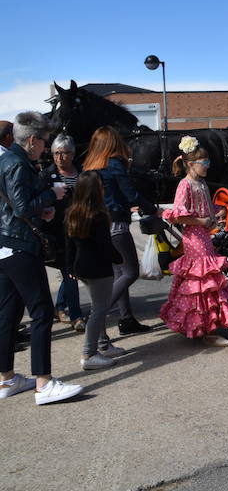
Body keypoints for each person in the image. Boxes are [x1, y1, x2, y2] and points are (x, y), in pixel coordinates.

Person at [0, 111, 83, 404]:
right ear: (32, 140)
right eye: (45, 142)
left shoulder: (6, 160)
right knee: (41, 313)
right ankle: (44, 383)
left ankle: (7, 379)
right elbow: (22, 206)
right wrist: (52, 194)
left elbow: (13, 206)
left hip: (5, 245)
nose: (46, 148)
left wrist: (40, 209)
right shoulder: (17, 163)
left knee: (8, 314)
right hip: (21, 245)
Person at [159, 136, 228, 347]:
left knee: (203, 283)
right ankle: (209, 331)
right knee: (203, 283)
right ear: (190, 164)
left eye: (208, 162)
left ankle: (201, 326)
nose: (207, 165)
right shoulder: (185, 185)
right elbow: (177, 215)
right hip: (194, 237)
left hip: (203, 236)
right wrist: (201, 220)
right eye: (203, 162)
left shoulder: (201, 182)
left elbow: (206, 207)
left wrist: (219, 211)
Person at [83, 126, 158, 335]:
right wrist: (153, 208)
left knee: (118, 273)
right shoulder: (115, 164)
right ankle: (97, 315)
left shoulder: (90, 166)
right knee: (131, 272)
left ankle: (126, 319)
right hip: (116, 223)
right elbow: (131, 194)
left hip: (99, 224)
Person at [64, 171, 125, 370]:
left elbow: (69, 245)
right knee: (99, 310)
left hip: (81, 268)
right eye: (100, 185)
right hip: (99, 269)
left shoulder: (73, 212)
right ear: (94, 191)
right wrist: (119, 258)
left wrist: (70, 266)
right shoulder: (97, 216)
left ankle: (102, 345)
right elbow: (105, 246)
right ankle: (89, 354)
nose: (103, 187)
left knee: (96, 307)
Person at [39, 135, 84, 331]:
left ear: (72, 154)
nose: (59, 157)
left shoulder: (82, 174)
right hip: (57, 233)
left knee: (72, 271)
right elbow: (39, 199)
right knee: (70, 271)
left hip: (79, 229)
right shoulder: (47, 175)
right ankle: (76, 316)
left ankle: (59, 307)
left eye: (63, 153)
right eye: (56, 153)